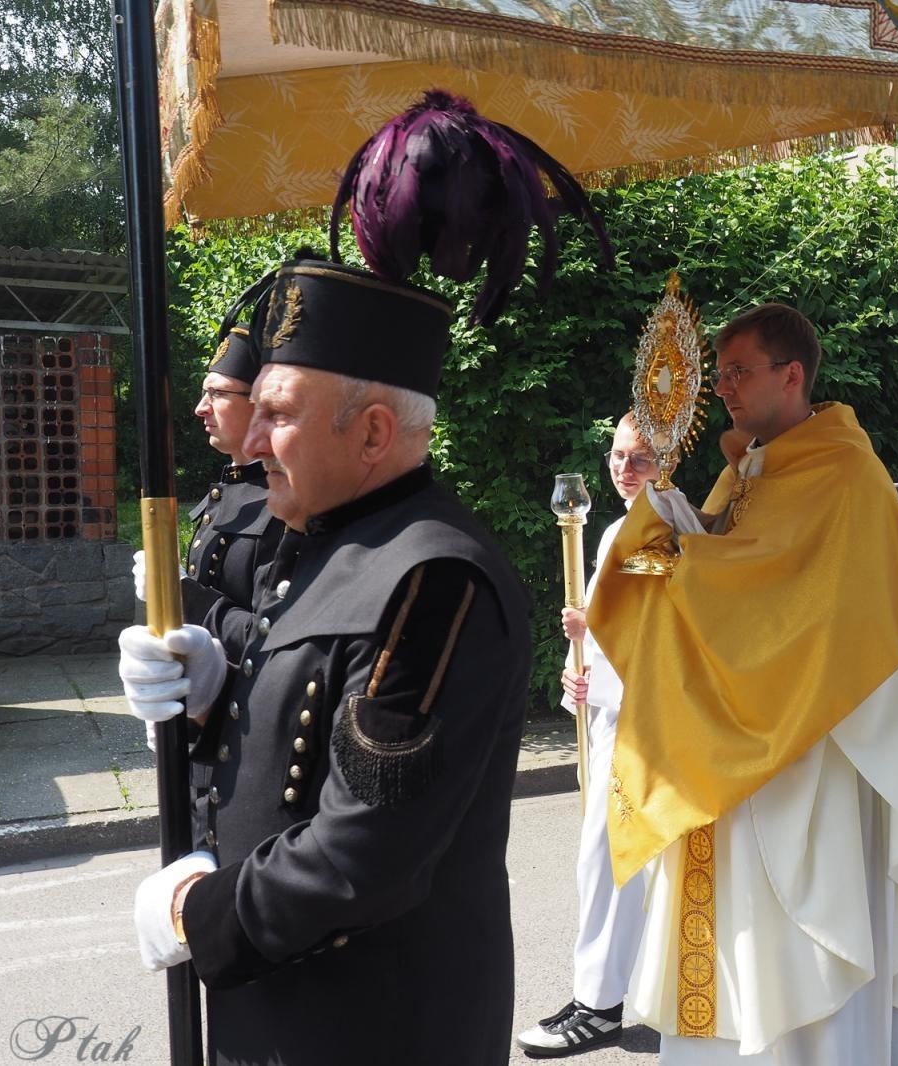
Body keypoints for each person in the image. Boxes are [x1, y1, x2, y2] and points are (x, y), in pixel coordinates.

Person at [115, 92, 608, 1066]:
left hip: (374, 1031)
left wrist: (201, 910)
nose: (252, 442)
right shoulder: (321, 542)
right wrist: (213, 700)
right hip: (287, 1019)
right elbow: (295, 747)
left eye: (281, 414)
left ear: (375, 433)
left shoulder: (436, 582)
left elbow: (363, 853)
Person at [588, 302, 898, 1063]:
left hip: (809, 759)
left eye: (738, 371)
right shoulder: (748, 469)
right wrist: (671, 528)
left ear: (792, 375)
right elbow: (735, 574)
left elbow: (781, 602)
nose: (722, 386)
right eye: (718, 372)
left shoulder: (844, 472)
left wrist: (681, 559)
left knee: (793, 967)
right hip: (741, 744)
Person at [516, 412, 656, 1058]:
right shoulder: (618, 530)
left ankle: (600, 1002)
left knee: (609, 859)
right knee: (605, 860)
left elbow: (663, 644)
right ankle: (611, 991)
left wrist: (599, 667)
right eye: (618, 456)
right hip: (613, 713)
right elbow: (615, 633)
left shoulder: (665, 532)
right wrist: (587, 665)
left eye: (641, 457)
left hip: (644, 726)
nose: (625, 468)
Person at [134, 279, 284, 650]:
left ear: (258, 402)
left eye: (216, 393)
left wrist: (181, 594)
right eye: (205, 393)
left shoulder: (286, 501)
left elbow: (269, 633)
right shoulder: (228, 488)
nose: (201, 407)